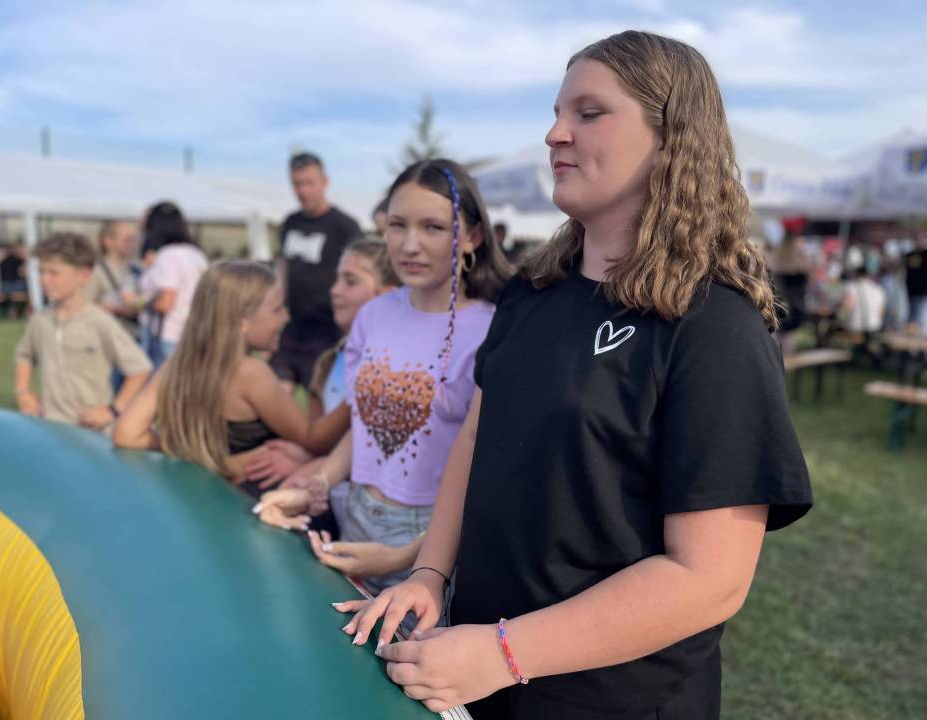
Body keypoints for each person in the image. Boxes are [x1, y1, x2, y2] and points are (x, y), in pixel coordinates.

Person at [337, 32, 813, 719]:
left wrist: (502, 653)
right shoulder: (532, 292)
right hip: (473, 675)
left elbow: (709, 578)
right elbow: (476, 439)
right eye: (558, 113)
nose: (555, 134)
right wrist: (430, 574)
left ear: (671, 139)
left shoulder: (713, 326)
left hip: (610, 698)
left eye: (589, 113)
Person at [255, 159, 512, 596]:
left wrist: (407, 556)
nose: (409, 245)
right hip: (354, 517)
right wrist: (315, 486)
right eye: (397, 225)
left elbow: (489, 477)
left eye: (432, 227)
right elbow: (367, 425)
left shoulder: (494, 329)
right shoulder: (373, 315)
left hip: (433, 548)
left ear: (472, 237)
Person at [112, 261, 351, 502]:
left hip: (195, 500)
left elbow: (126, 433)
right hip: (249, 502)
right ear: (242, 323)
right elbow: (312, 439)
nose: (286, 317)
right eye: (277, 310)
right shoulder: (250, 373)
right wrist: (356, 397)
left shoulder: (176, 367)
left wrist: (192, 454)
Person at [242, 239, 401, 533]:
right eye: (336, 279)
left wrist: (311, 466)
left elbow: (390, 454)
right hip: (324, 489)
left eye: (350, 281)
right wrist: (300, 455)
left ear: (387, 293)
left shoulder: (399, 366)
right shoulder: (330, 360)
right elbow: (316, 436)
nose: (334, 290)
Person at [14, 233, 151, 432]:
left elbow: (140, 369)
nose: (44, 280)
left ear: (84, 276)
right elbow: (24, 355)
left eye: (54, 273)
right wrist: (23, 393)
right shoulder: (40, 320)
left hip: (90, 433)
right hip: (49, 427)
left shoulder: (100, 322)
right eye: (41, 272)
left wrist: (113, 410)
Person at [270, 152, 363, 386]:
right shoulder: (290, 222)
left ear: (325, 182)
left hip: (329, 331)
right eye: (297, 184)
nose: (303, 191)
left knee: (322, 397)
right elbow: (283, 267)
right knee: (276, 388)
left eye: (309, 183)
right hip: (293, 327)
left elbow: (360, 276)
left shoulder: (345, 226)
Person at [141, 202, 208, 367]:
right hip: (192, 332)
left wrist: (140, 303)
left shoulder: (168, 256)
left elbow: (166, 302)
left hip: (169, 334)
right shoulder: (197, 254)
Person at [86, 220, 143, 336]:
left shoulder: (136, 270)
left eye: (134, 240)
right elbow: (84, 306)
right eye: (127, 240)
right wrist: (117, 309)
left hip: (132, 335)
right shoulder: (96, 271)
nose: (132, 244)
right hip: (105, 336)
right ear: (108, 241)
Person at [839, 267, 886, 334]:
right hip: (875, 326)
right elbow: (881, 312)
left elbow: (847, 306)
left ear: (856, 274)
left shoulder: (851, 287)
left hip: (855, 327)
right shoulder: (878, 289)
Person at [904, 233, 927, 333]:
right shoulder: (909, 255)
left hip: (923, 289)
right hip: (912, 288)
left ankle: (920, 329)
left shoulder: (925, 254)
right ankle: (913, 328)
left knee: (921, 311)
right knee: (913, 310)